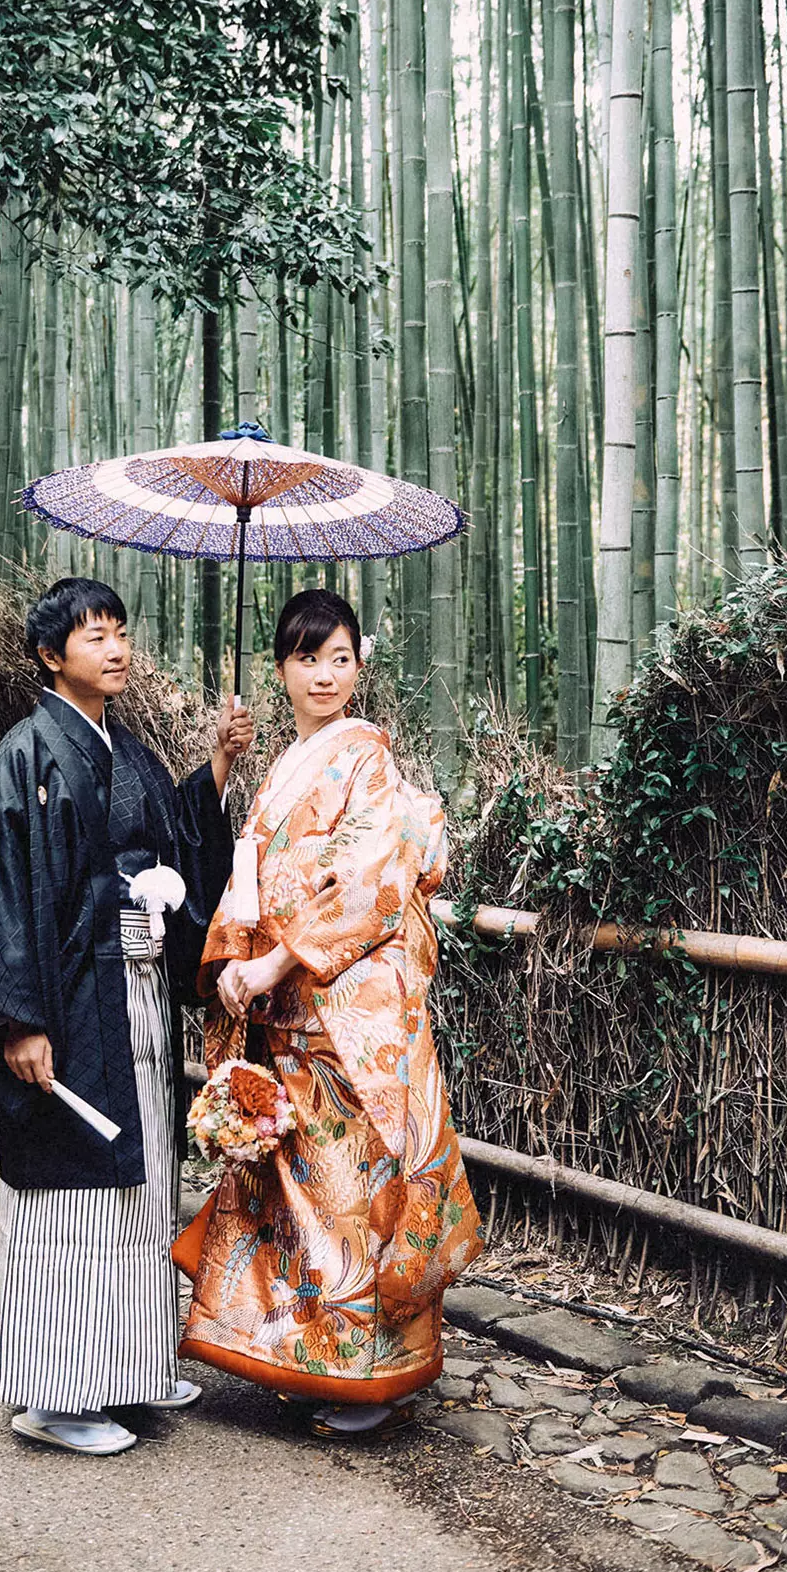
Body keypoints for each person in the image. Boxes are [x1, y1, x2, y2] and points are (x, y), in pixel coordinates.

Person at [177, 588, 482, 1436]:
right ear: (280, 669)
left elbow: (367, 881)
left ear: (359, 665)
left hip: (349, 1016)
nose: (324, 674)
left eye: (339, 657)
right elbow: (249, 878)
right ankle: (319, 1362)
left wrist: (275, 956)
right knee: (306, 1199)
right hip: (289, 1013)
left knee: (358, 1198)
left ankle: (373, 1375)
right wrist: (238, 965)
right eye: (307, 658)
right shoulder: (283, 766)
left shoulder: (367, 762)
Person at [0, 576, 252, 1457]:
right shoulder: (27, 754)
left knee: (144, 1176)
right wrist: (16, 1018)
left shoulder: (127, 750)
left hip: (137, 990)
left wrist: (218, 771)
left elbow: (178, 836)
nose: (116, 648)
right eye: (94, 636)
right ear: (52, 656)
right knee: (77, 1189)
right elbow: (4, 892)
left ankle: (128, 1365)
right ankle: (55, 1393)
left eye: (121, 631)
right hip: (67, 1000)